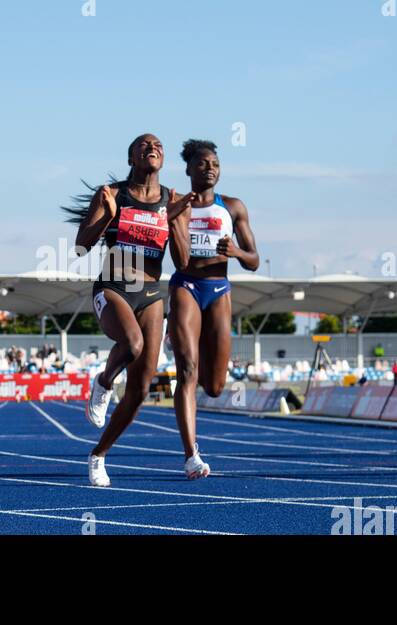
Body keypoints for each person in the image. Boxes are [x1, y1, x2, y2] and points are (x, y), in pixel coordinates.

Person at [65, 133, 195, 487]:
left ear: (163, 159)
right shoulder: (111, 194)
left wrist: (175, 221)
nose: (151, 148)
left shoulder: (174, 200)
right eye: (143, 145)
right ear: (131, 158)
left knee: (138, 391)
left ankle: (98, 454)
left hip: (151, 294)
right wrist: (108, 217)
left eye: (158, 146)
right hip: (113, 287)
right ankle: (104, 380)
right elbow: (80, 247)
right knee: (132, 344)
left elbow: (182, 262)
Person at [166, 139, 259, 480]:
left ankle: (194, 345)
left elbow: (254, 261)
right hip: (186, 286)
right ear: (189, 168)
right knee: (187, 371)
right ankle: (191, 456)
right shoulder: (175, 205)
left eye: (215, 165)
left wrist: (235, 251)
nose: (210, 169)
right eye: (203, 164)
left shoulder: (232, 207)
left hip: (219, 290)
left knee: (215, 386)